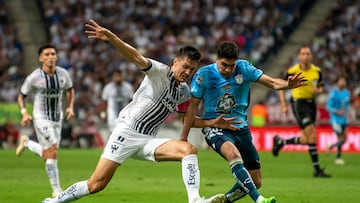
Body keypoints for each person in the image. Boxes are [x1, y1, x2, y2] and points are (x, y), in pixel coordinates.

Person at [42, 19, 239, 203]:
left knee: (187, 150)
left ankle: (195, 200)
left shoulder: (184, 92)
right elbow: (135, 56)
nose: (187, 72)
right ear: (175, 62)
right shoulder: (159, 72)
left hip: (148, 140)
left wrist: (212, 123)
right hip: (126, 133)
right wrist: (112, 38)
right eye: (185, 67)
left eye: (192, 70)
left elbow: (187, 119)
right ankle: (54, 201)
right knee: (96, 184)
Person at [181, 41, 305, 203]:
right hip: (216, 126)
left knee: (256, 181)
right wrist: (184, 136)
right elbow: (193, 107)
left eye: (231, 66)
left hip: (241, 127)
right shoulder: (203, 75)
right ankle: (259, 200)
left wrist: (288, 85)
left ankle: (222, 201)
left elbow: (273, 82)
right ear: (216, 59)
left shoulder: (244, 68)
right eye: (224, 65)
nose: (227, 70)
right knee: (233, 154)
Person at [16, 44, 75, 197]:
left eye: (53, 54)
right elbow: (22, 96)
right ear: (41, 58)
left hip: (57, 118)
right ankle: (56, 190)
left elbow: (70, 90)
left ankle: (27, 143)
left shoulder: (63, 74)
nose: (50, 57)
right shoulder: (34, 77)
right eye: (47, 54)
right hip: (40, 117)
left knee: (50, 154)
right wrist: (24, 113)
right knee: (53, 150)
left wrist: (70, 107)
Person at [273, 46, 331, 178]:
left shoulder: (317, 71)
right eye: (303, 54)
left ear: (311, 56)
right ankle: (317, 170)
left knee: (306, 139)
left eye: (308, 53)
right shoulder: (293, 71)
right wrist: (283, 105)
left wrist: (318, 90)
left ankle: (280, 142)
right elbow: (281, 86)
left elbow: (321, 86)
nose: (305, 56)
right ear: (299, 56)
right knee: (312, 133)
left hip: (312, 104)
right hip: (299, 104)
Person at [326, 76, 350, 165]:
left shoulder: (347, 93)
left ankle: (331, 147)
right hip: (335, 119)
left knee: (344, 139)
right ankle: (338, 158)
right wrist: (336, 111)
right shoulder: (333, 93)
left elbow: (347, 106)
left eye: (344, 80)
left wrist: (347, 114)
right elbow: (328, 107)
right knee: (340, 138)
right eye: (341, 80)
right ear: (338, 82)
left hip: (344, 119)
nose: (343, 82)